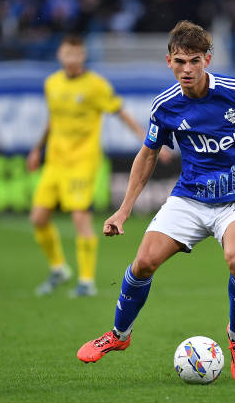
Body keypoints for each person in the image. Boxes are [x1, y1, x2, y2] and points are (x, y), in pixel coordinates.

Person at [76, 20, 235, 381]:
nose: (187, 69)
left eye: (195, 60)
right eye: (180, 61)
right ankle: (119, 335)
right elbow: (148, 155)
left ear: (207, 59)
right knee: (143, 263)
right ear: (169, 62)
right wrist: (123, 210)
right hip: (189, 199)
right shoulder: (165, 106)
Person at [28, 34, 147, 297]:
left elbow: (120, 113)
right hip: (55, 162)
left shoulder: (96, 85)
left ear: (83, 56)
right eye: (67, 54)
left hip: (83, 161)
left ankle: (86, 281)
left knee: (80, 217)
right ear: (59, 55)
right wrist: (37, 149)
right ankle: (59, 269)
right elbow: (53, 120)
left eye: (76, 54)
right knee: (38, 218)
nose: (71, 59)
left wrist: (146, 140)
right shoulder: (52, 83)